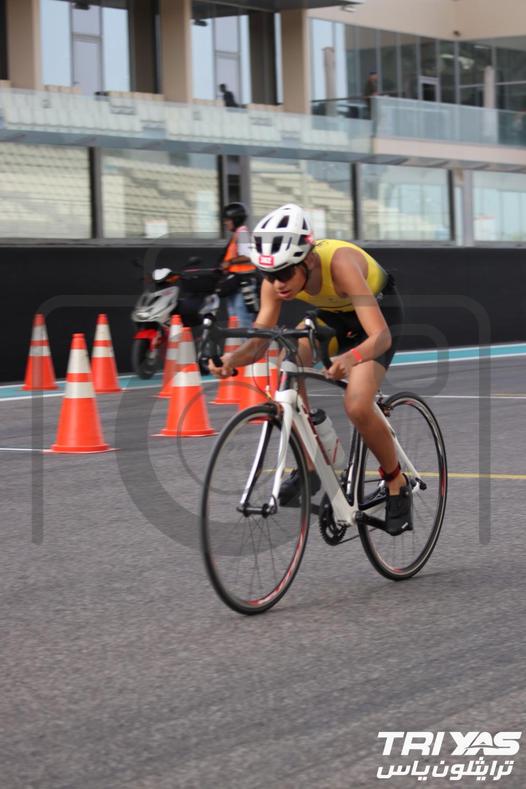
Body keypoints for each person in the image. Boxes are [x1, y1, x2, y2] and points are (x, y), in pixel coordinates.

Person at [209, 203, 412, 536]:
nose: (277, 284)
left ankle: (396, 482)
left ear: (309, 260)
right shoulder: (275, 281)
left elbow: (380, 336)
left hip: (377, 319)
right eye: (269, 275)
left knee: (357, 405)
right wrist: (231, 361)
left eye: (285, 273)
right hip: (332, 318)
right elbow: (258, 343)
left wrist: (351, 358)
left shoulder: (341, 264)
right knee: (287, 363)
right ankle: (311, 462)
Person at [220, 202, 259, 328]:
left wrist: (229, 262)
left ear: (236, 219)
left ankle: (246, 340)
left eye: (228, 220)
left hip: (243, 283)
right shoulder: (237, 234)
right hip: (236, 283)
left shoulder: (242, 234)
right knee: (234, 320)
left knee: (242, 320)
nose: (225, 223)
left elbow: (248, 256)